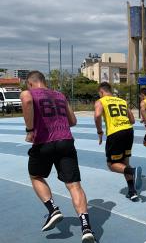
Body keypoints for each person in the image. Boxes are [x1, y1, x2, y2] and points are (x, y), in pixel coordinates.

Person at [20, 71, 96, 242]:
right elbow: (73, 121)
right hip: (66, 141)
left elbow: (26, 100)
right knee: (74, 186)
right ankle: (86, 228)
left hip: (43, 143)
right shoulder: (60, 95)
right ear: (44, 81)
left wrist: (30, 130)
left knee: (36, 176)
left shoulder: (28, 92)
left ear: (30, 83)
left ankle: (53, 209)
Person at [94, 82, 142, 201]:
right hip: (128, 131)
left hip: (115, 133)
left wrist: (100, 132)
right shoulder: (122, 101)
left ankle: (133, 171)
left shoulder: (101, 101)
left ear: (101, 92)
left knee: (112, 164)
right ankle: (132, 191)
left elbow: (97, 115)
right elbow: (132, 120)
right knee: (125, 162)